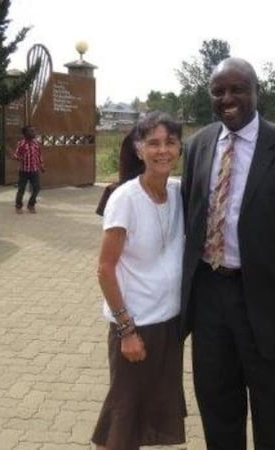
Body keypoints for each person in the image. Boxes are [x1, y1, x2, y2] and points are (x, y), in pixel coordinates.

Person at [181, 57, 275, 450]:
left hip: (270, 301)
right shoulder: (197, 146)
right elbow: (188, 220)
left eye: (237, 89)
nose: (227, 98)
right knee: (217, 401)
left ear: (255, 92)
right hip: (210, 295)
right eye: (219, 91)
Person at [91, 111, 187, 450]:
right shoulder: (125, 199)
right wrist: (126, 330)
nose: (163, 151)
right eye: (154, 143)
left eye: (170, 142)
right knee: (123, 417)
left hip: (168, 326)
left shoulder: (177, 194)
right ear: (138, 149)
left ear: (179, 148)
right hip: (136, 326)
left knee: (139, 415)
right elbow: (104, 268)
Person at [11, 125, 44, 214]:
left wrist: (41, 165)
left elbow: (39, 155)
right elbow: (15, 155)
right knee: (21, 189)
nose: (34, 133)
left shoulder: (36, 143)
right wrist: (18, 158)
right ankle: (18, 206)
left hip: (34, 170)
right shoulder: (21, 144)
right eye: (31, 131)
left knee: (37, 188)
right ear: (25, 133)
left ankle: (31, 205)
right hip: (24, 171)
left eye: (34, 131)